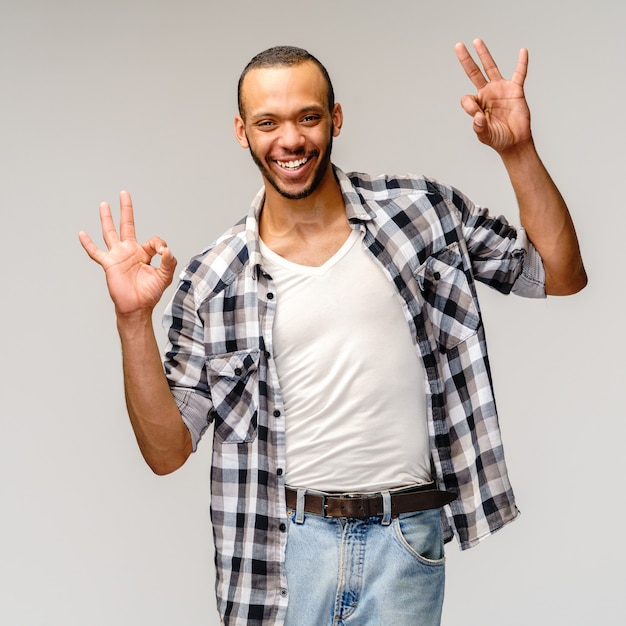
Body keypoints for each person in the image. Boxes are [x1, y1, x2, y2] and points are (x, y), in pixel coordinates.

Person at [79, 40, 587, 626]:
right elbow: (166, 453)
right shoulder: (213, 280)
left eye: (308, 117)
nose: (289, 139)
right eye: (268, 122)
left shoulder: (420, 214)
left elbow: (559, 274)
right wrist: (131, 321)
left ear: (335, 119)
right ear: (242, 132)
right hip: (283, 552)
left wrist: (519, 151)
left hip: (405, 541)